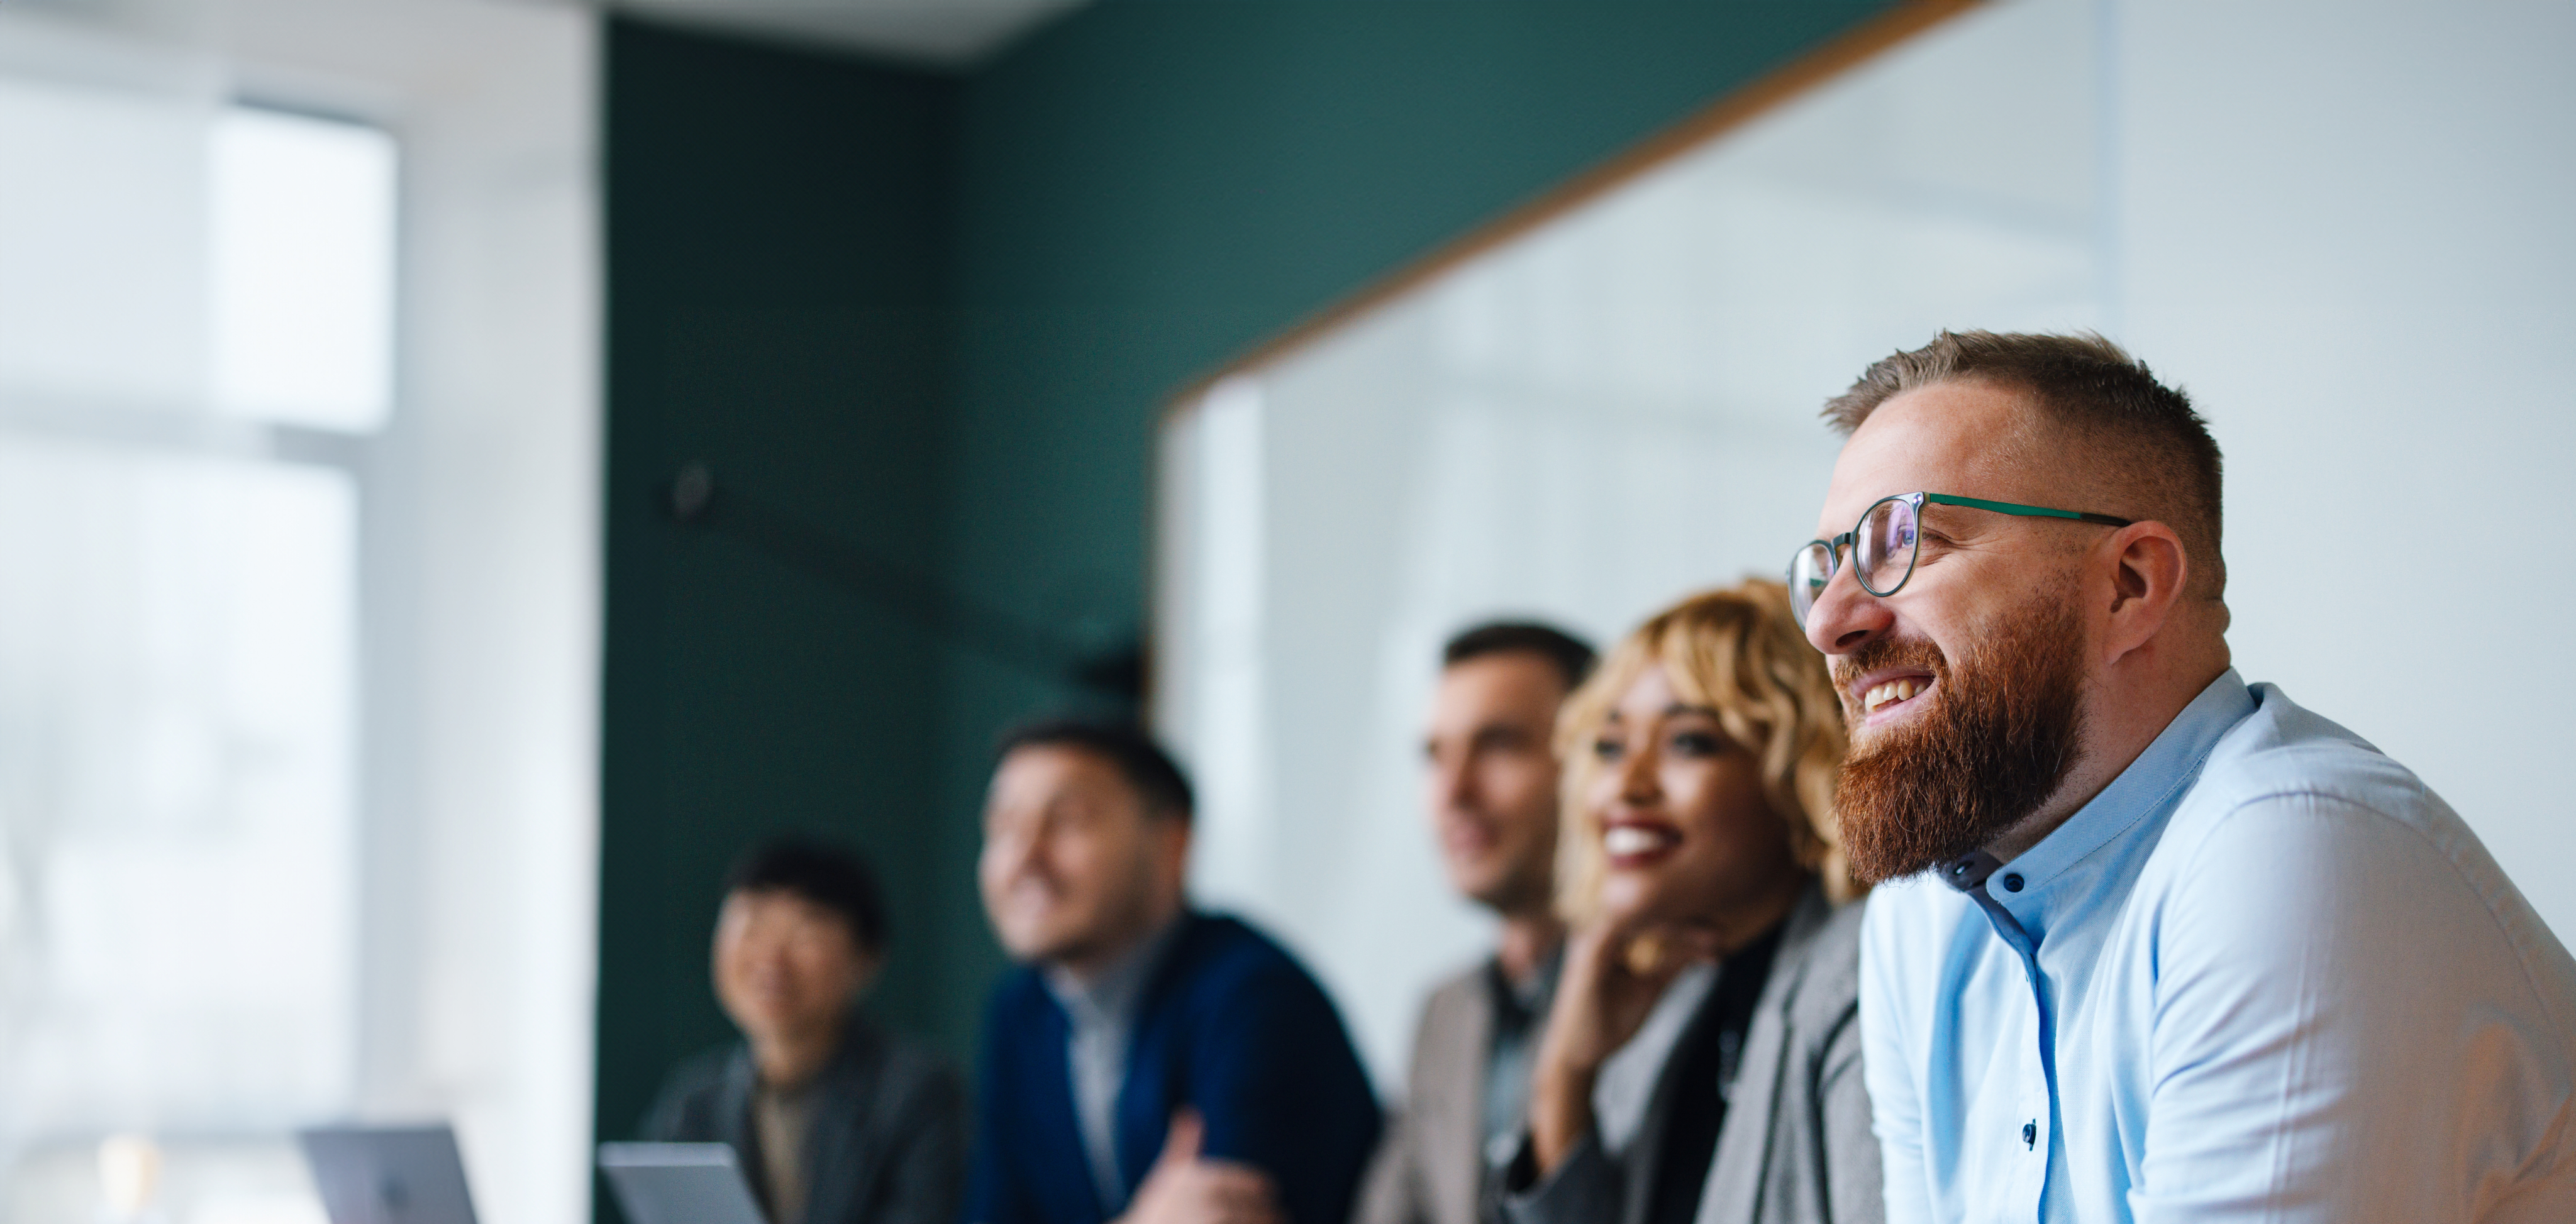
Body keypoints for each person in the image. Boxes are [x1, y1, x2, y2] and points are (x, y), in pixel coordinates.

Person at [1792, 331, 2576, 1222]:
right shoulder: (1921, 919)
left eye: (1905, 544)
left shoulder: (2294, 843)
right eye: (1826, 567)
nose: (1830, 622)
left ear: (2130, 582)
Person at [1499, 581, 1881, 1224]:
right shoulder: (1667, 993)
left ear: (1794, 773)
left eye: (1688, 743)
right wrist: (1564, 1074)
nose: (1627, 785)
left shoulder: (1861, 978)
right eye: (1610, 746)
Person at [965, 719, 1382, 1224]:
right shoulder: (1023, 1009)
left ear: (1172, 841)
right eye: (1004, 827)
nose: (1025, 857)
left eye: (1068, 821)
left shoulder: (1256, 1000)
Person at [1357, 622, 1597, 1224]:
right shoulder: (1444, 1012)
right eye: (1436, 755)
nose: (1454, 791)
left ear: (1597, 758)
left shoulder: (1658, 986)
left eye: (1499, 744)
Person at [641, 837, 967, 1224]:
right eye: (750, 926)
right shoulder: (690, 1104)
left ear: (867, 958)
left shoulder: (918, 1095)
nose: (771, 958)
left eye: (804, 933)